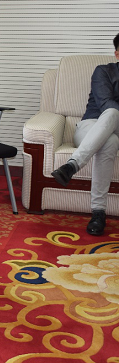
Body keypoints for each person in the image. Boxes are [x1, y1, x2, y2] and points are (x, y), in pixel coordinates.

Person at [52, 33, 119, 236]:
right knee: (110, 134)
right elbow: (106, 103)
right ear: (117, 54)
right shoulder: (103, 71)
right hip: (91, 126)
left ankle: (71, 166)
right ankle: (98, 213)